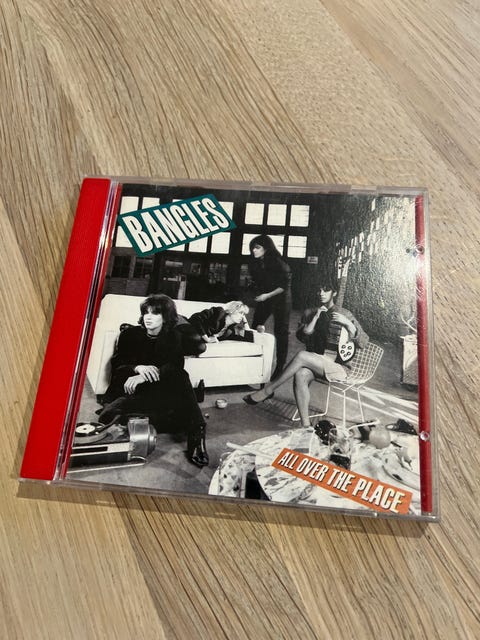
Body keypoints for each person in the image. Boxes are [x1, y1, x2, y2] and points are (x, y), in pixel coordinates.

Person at [98, 294, 209, 467]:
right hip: (130, 387)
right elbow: (117, 365)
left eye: (155, 313)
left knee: (180, 376)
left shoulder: (173, 336)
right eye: (146, 313)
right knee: (174, 417)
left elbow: (175, 365)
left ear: (166, 317)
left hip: (155, 388)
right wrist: (137, 368)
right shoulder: (129, 334)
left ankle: (197, 434)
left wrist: (146, 375)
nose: (148, 317)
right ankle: (187, 412)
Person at [243, 279, 369, 427]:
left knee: (302, 356)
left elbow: (363, 342)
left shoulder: (344, 313)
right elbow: (301, 337)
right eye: (319, 290)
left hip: (338, 367)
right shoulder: (310, 312)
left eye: (326, 290)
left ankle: (268, 390)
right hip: (317, 362)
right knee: (300, 374)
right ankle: (306, 426)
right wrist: (314, 319)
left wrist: (347, 323)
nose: (321, 293)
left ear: (334, 293)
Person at [248, 234, 292, 379]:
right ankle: (252, 361)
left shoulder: (279, 263)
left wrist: (266, 296)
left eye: (257, 247)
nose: (254, 250)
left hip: (282, 299)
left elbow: (283, 286)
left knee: (281, 332)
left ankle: (280, 367)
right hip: (266, 297)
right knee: (254, 327)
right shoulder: (257, 263)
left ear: (266, 249)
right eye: (253, 248)